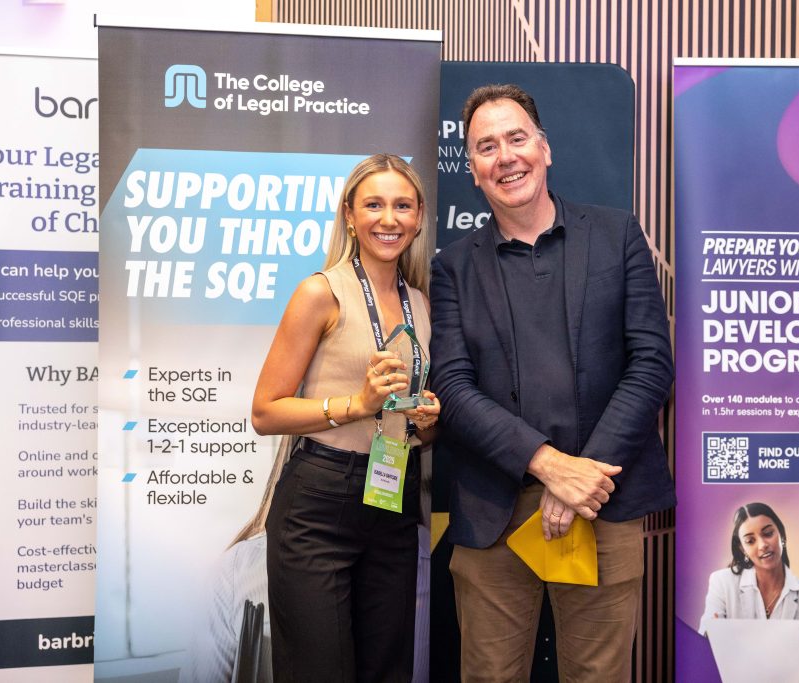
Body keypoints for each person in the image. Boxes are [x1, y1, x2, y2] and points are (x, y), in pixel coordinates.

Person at [429, 83, 676, 682]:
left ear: (544, 148)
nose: (505, 157)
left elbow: (651, 364)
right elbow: (453, 388)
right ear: (474, 171)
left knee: (598, 676)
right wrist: (548, 466)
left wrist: (580, 477)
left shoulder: (617, 235)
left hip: (602, 497)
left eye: (516, 138)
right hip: (492, 507)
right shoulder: (452, 267)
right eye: (486, 147)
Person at [251, 154, 440, 683]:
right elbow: (265, 411)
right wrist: (357, 405)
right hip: (319, 503)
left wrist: (427, 421)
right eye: (373, 205)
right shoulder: (320, 292)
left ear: (419, 218)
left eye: (402, 206)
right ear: (350, 217)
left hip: (394, 496)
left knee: (388, 670)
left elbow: (417, 425)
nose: (389, 219)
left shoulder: (421, 302)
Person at [698, 502, 799, 650]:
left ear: (781, 535)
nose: (762, 545)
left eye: (768, 533)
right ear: (742, 549)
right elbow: (706, 637)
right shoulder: (722, 582)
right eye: (750, 541)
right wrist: (710, 634)